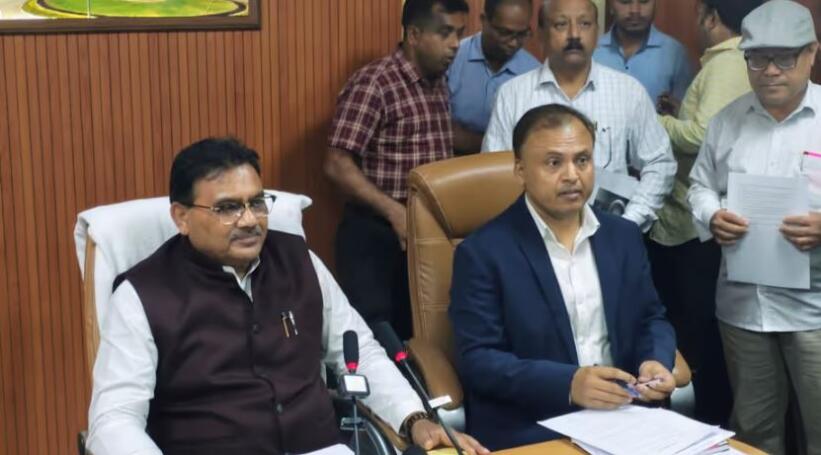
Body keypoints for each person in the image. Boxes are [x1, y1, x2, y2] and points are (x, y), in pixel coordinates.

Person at [86, 138, 488, 455]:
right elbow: (114, 419)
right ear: (181, 217)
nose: (249, 220)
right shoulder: (143, 294)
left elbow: (359, 351)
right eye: (228, 208)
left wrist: (413, 419)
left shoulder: (299, 261)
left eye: (257, 203)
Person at [450, 104, 676, 450]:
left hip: (627, 416)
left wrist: (654, 359)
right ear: (520, 169)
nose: (572, 175)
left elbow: (651, 318)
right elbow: (479, 360)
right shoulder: (483, 252)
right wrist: (568, 383)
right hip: (535, 424)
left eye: (582, 160)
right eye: (554, 163)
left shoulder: (623, 236)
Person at [687, 1, 821, 453]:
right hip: (744, 307)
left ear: (812, 53)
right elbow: (700, 186)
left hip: (815, 310)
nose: (770, 71)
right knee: (754, 431)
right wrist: (712, 215)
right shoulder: (727, 122)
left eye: (784, 57)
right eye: (758, 58)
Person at [325, 0, 468, 340]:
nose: (455, 45)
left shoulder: (437, 82)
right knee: (377, 336)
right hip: (376, 232)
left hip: (425, 229)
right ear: (414, 34)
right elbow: (337, 163)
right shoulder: (375, 82)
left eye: (459, 34)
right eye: (445, 33)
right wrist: (394, 211)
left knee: (420, 333)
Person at [648, 0, 762, 426]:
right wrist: (680, 112)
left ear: (710, 16)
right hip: (704, 214)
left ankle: (704, 424)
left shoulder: (727, 62)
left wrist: (655, 121)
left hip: (696, 225)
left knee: (698, 335)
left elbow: (700, 135)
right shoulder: (727, 62)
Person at [482, 0, 676, 233]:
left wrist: (629, 222)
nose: (574, 34)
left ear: (597, 31)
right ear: (541, 33)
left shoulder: (628, 92)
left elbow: (659, 162)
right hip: (531, 236)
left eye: (584, 24)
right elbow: (495, 174)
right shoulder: (512, 95)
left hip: (610, 236)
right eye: (561, 24)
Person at [447, 0, 540, 155]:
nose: (513, 43)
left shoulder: (534, 73)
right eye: (505, 33)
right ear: (484, 21)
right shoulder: (451, 58)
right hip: (450, 162)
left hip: (509, 165)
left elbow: (533, 140)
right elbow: (441, 129)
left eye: (522, 34)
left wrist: (471, 141)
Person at [593, 0, 693, 105]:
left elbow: (685, 111)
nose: (635, 10)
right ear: (611, 6)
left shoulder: (674, 53)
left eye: (644, 1)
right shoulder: (592, 51)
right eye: (625, 1)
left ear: (655, 4)